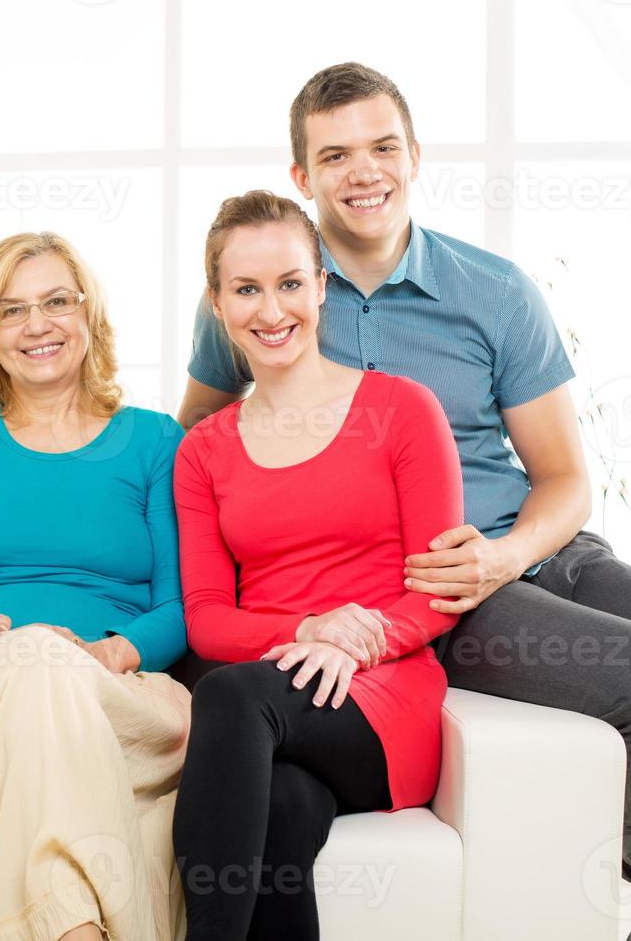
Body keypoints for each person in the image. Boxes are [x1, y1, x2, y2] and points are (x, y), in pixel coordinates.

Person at [177, 63, 631, 877]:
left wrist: (506, 552)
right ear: (302, 175)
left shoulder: (493, 293)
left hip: (538, 550)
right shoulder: (276, 295)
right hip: (446, 589)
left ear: (415, 155)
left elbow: (565, 476)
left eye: (382, 146)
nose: (364, 172)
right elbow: (202, 443)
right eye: (335, 155)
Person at [171, 191, 463, 939]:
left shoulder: (402, 409)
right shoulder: (203, 448)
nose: (272, 311)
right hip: (275, 701)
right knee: (280, 811)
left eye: (291, 283)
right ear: (217, 303)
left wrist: (349, 640)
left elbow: (437, 594)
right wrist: (308, 626)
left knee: (234, 698)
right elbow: (206, 620)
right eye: (246, 289)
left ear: (322, 284)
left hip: (381, 696)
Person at [0, 231, 191, 941]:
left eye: (57, 301)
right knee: (32, 662)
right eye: (11, 309)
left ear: (90, 315)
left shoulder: (154, 440)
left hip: (118, 686)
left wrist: (108, 655)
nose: (37, 326)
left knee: (46, 671)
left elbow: (184, 605)